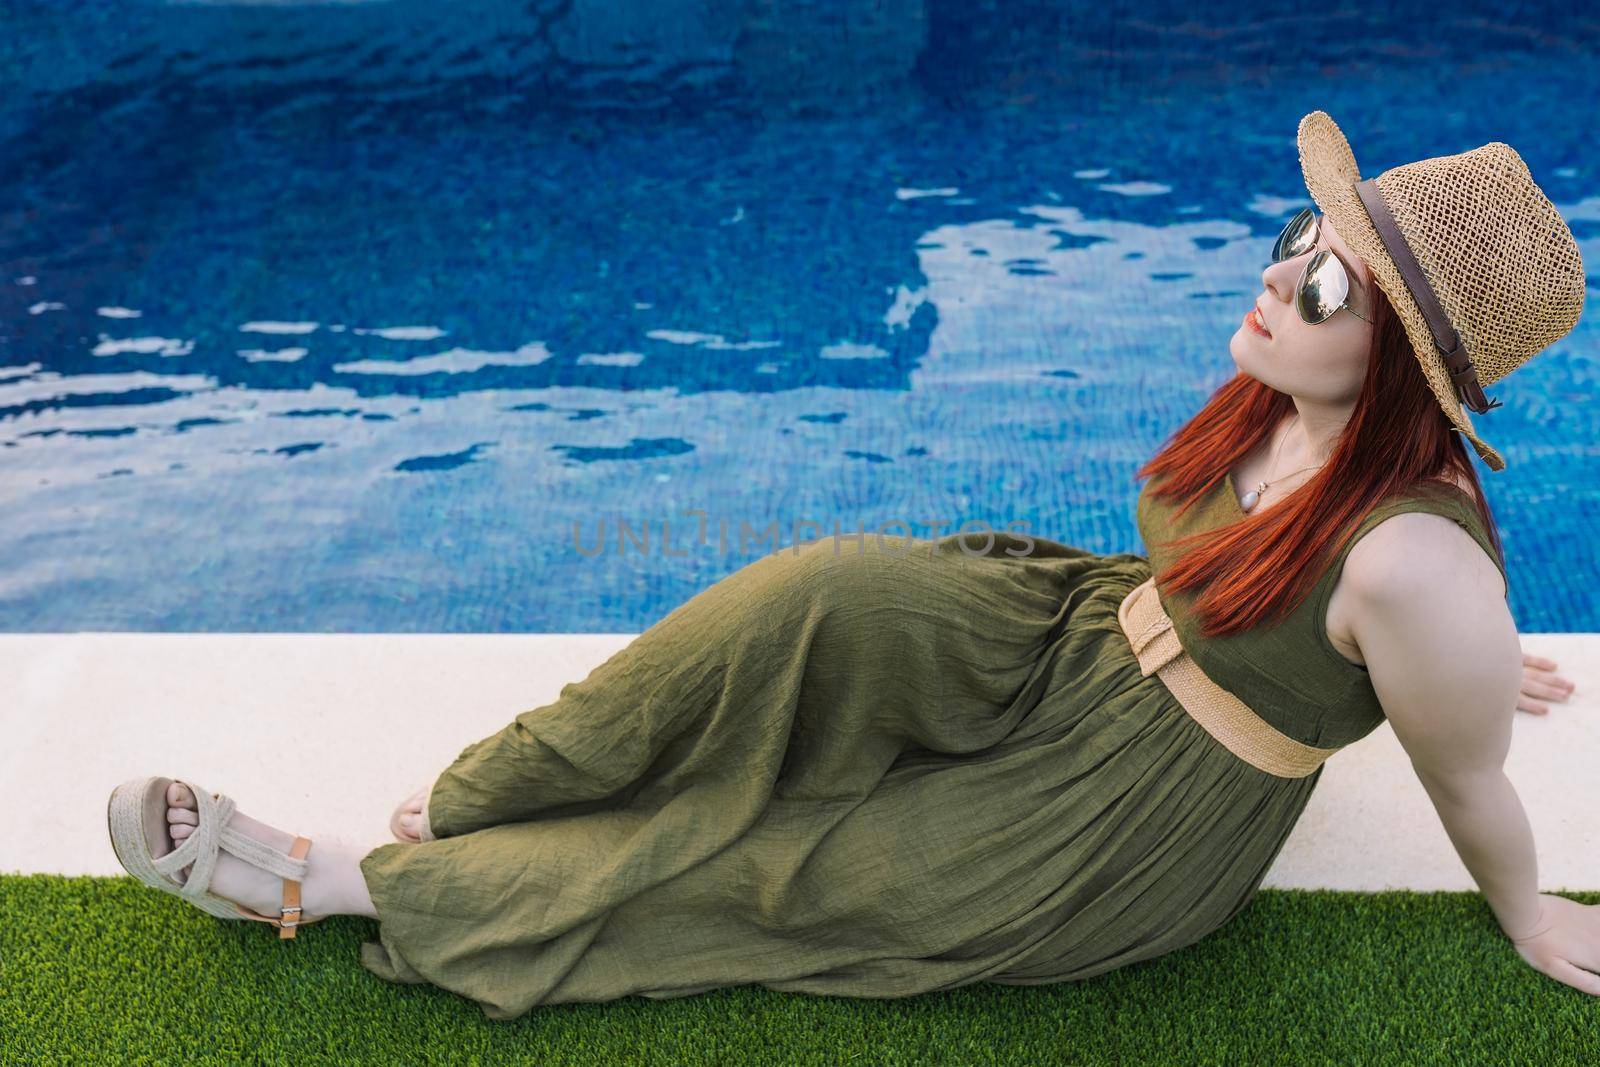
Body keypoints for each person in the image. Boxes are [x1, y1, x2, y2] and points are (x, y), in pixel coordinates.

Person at [107, 111, 1593, 1020]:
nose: (1275, 275)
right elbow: (1344, 619)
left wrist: (1518, 891)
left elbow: (1466, 775)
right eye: (1299, 237)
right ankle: (505, 784)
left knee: (785, 874)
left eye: (1324, 281)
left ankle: (329, 881)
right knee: (807, 599)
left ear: (1398, 359)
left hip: (1130, 819)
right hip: (1073, 638)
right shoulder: (1302, 409)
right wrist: (1423, 670)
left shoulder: (1417, 572)